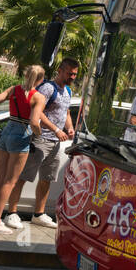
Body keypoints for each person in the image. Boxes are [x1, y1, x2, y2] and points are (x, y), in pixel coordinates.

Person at [16, 57, 80, 228]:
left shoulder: (67, 91)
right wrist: (56, 129)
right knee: (24, 176)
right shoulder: (47, 88)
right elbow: (38, 113)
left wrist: (69, 127)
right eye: (69, 73)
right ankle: (12, 212)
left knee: (47, 178)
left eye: (75, 74)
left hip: (55, 143)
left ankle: (39, 213)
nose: (72, 77)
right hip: (40, 138)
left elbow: (65, 112)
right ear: (60, 70)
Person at [0, 65, 44, 235]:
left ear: (26, 75)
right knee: (10, 181)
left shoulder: (13, 90)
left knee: (0, 179)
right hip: (21, 134)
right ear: (40, 80)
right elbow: (34, 122)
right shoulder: (38, 97)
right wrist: (39, 135)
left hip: (7, 129)